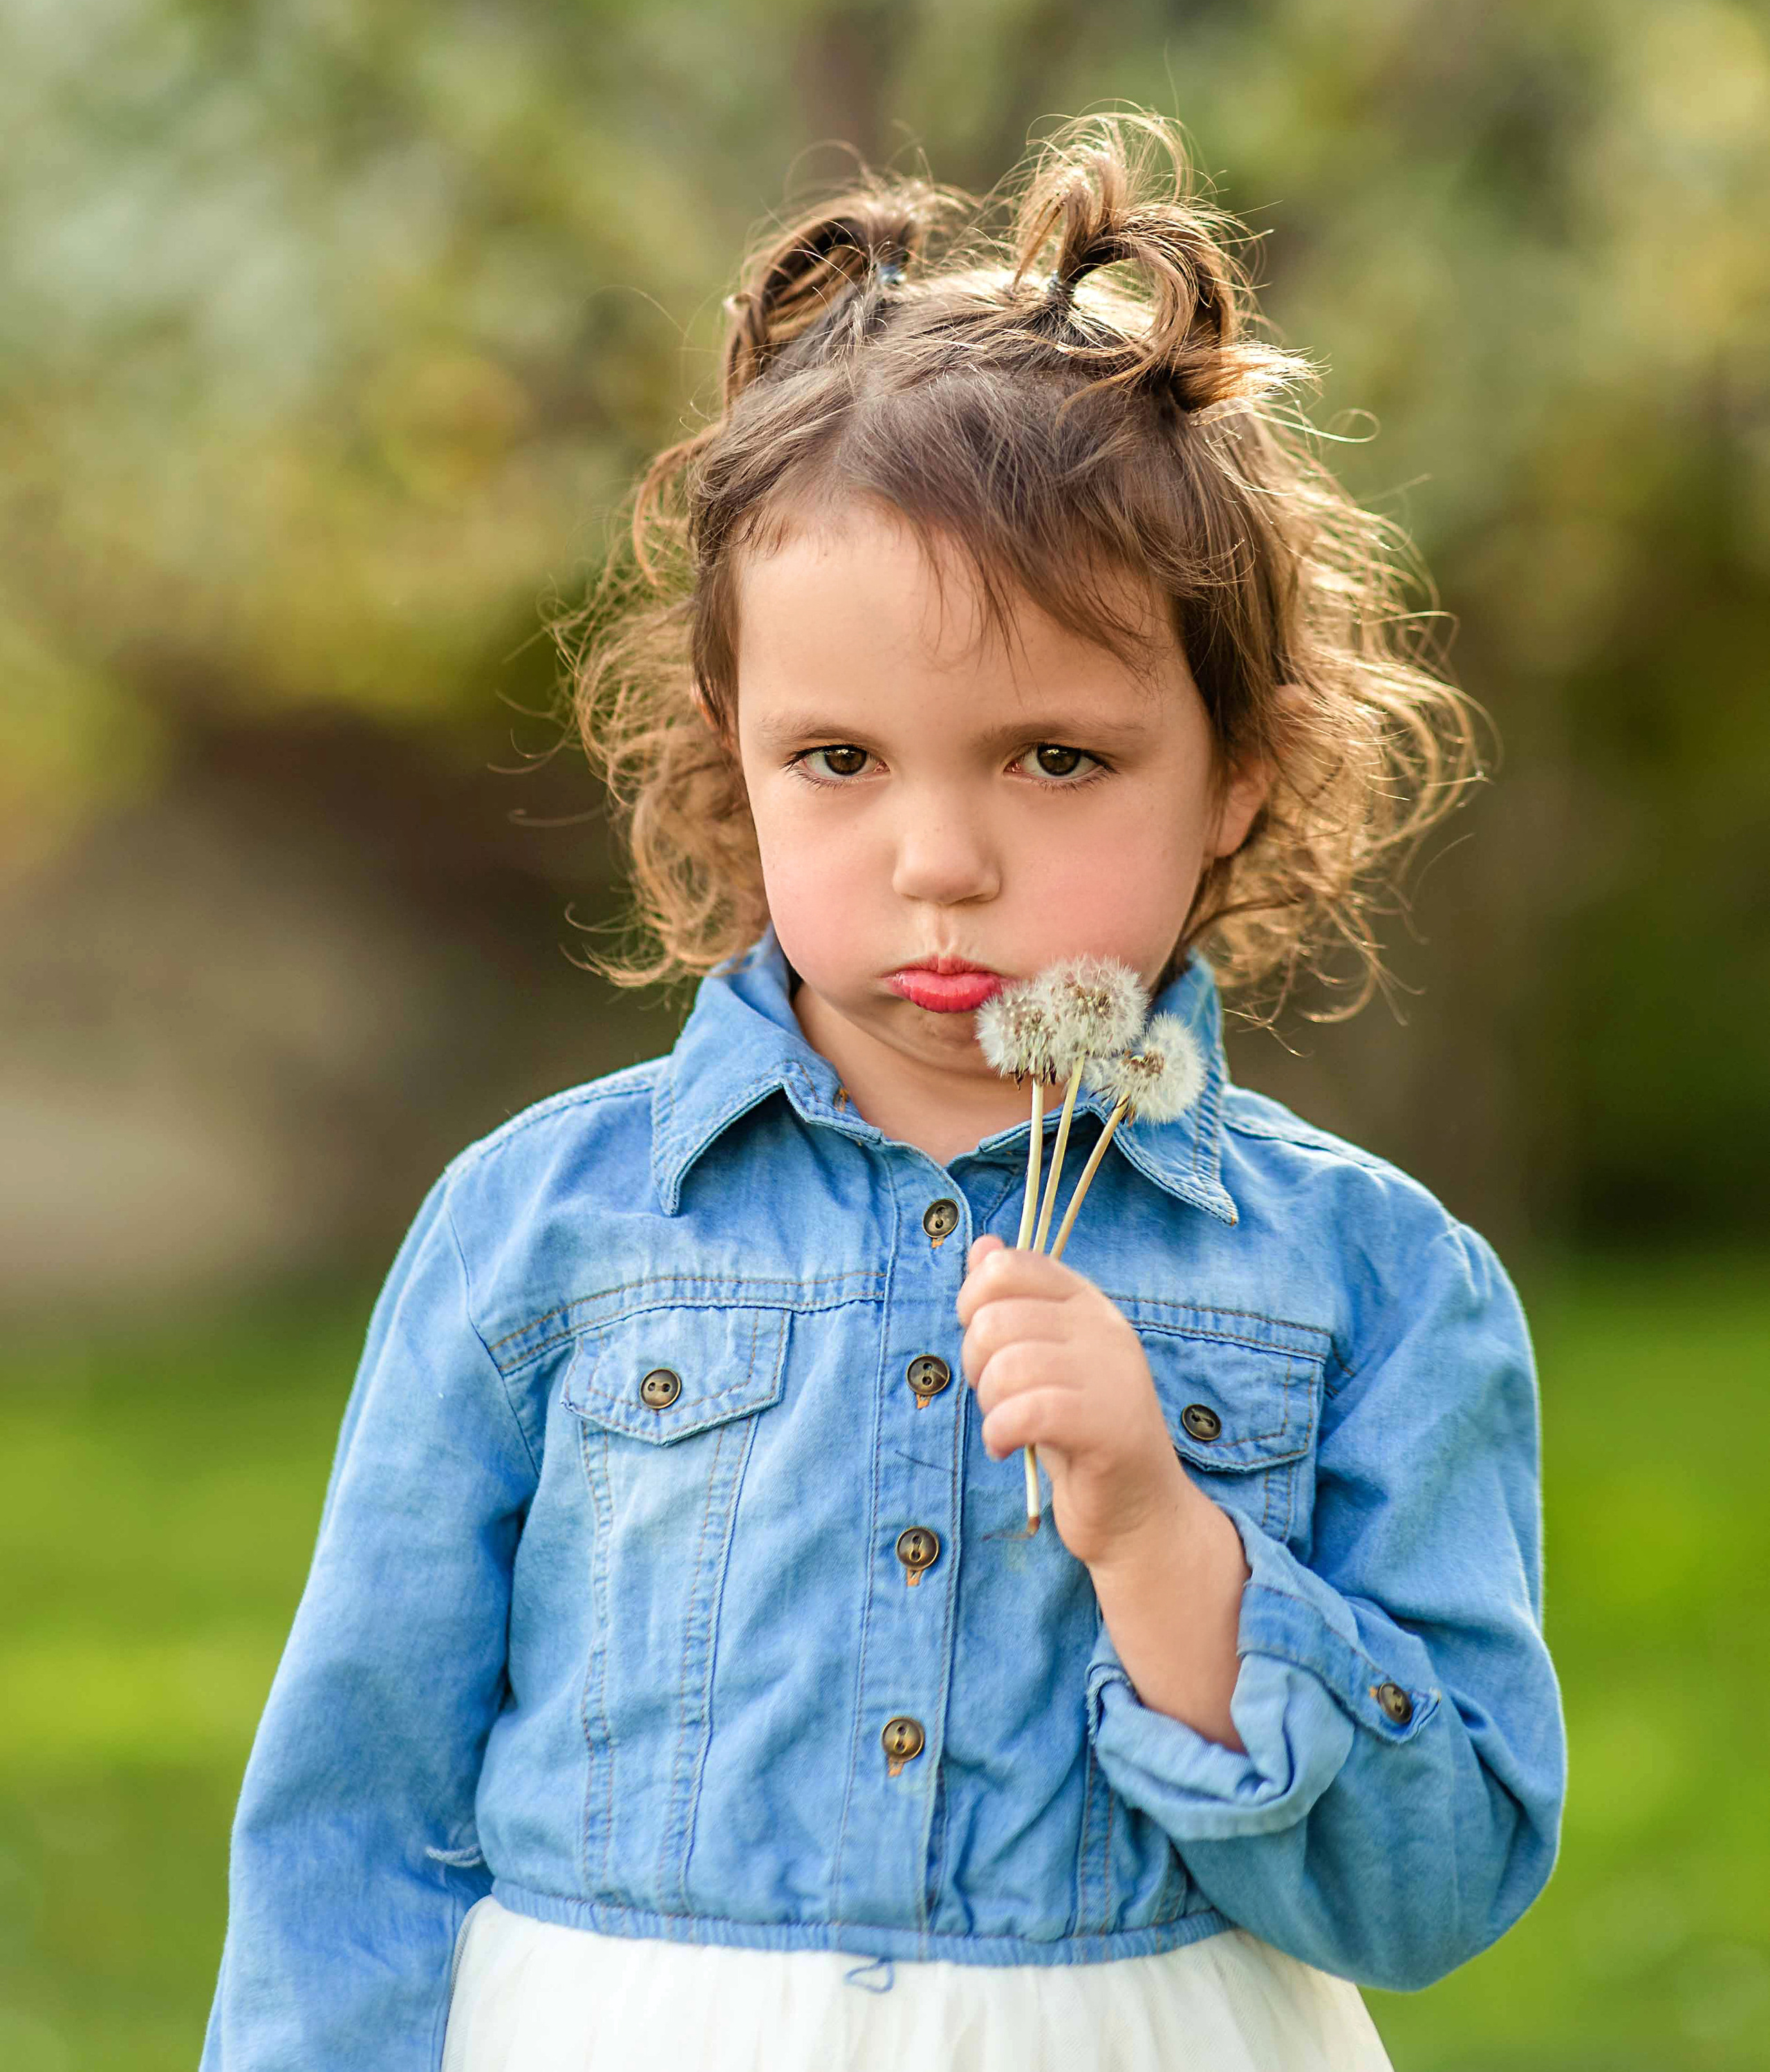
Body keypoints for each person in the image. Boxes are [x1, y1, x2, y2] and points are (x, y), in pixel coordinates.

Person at [201, 113, 1565, 2071]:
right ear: (732, 759)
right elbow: (354, 1812)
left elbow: (1435, 1894)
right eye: (840, 759)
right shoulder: (548, 1232)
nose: (942, 860)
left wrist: (1167, 1540)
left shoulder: (1373, 1280)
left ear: (1236, 779)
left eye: (1056, 761)